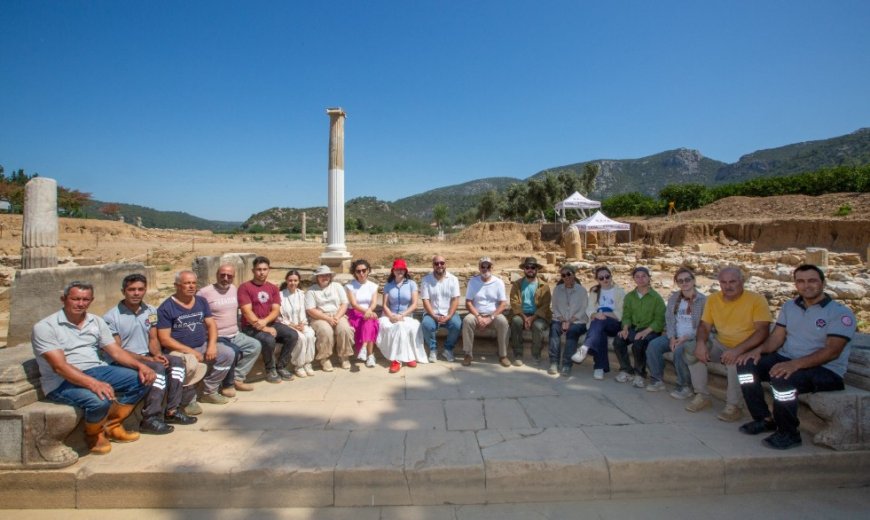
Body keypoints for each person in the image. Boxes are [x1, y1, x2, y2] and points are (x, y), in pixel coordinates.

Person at [736, 264, 856, 449]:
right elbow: (776, 338)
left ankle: (789, 433)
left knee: (782, 379)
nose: (806, 285)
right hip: (789, 359)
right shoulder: (790, 306)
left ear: (823, 283)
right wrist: (757, 351)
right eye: (800, 281)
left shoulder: (840, 313)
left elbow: (832, 351)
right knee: (746, 366)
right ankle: (764, 419)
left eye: (812, 281)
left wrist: (795, 365)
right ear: (795, 284)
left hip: (826, 369)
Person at [32, 281, 154, 454]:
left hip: (96, 370)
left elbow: (116, 352)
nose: (81, 303)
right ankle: (93, 434)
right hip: (61, 381)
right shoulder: (45, 327)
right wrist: (93, 384)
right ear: (64, 299)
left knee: (143, 379)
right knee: (98, 400)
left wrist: (141, 366)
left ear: (91, 300)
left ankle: (113, 425)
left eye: (85, 299)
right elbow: (60, 367)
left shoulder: (95, 321)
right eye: (76, 299)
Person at [103, 274, 196, 435]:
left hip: (147, 356)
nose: (136, 293)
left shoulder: (151, 311)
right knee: (157, 368)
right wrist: (149, 360)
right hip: (125, 360)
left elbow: (153, 337)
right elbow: (117, 350)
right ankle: (150, 418)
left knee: (176, 362)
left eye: (140, 289)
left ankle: (172, 410)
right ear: (123, 291)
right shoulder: (111, 317)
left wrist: (158, 354)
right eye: (132, 289)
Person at [684, 266, 773, 422]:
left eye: (732, 281)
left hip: (748, 346)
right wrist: (700, 343)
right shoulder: (713, 299)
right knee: (692, 351)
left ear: (742, 281)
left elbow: (762, 331)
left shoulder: (756, 300)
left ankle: (734, 406)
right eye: (724, 282)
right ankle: (702, 395)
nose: (728, 286)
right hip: (721, 343)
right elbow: (704, 326)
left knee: (735, 364)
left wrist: (738, 350)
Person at [157, 271, 237, 407]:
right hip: (179, 350)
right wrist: (191, 352)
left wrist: (211, 345)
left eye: (193, 283)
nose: (191, 286)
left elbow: (211, 324)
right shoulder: (166, 308)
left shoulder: (201, 301)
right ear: (176, 285)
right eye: (187, 283)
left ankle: (209, 391)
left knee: (228, 353)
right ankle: (188, 401)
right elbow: (165, 339)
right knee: (190, 364)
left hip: (202, 344)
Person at [197, 264, 262, 393]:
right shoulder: (204, 293)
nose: (225, 278)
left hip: (235, 333)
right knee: (233, 351)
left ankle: (238, 378)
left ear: (233, 277)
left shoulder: (233, 289)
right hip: (218, 335)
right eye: (222, 275)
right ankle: (227, 385)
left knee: (255, 346)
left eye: (229, 276)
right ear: (216, 275)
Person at [645, 267, 707, 397]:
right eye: (680, 281)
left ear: (693, 280)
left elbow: (704, 325)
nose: (684, 283)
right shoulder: (674, 298)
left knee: (680, 351)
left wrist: (685, 337)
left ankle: (684, 386)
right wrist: (672, 337)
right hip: (675, 335)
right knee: (653, 345)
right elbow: (670, 319)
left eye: (687, 279)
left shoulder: (703, 300)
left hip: (692, 338)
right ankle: (657, 380)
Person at [238, 256, 299, 383]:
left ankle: (281, 366)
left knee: (292, 335)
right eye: (259, 269)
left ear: (268, 270)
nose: (262, 272)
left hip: (270, 323)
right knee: (268, 339)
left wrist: (265, 323)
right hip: (250, 326)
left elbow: (276, 310)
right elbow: (246, 311)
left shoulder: (273, 288)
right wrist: (264, 328)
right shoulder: (245, 287)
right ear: (253, 270)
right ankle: (270, 369)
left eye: (265, 269)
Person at [612, 266, 666, 388]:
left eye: (643, 276)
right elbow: (626, 315)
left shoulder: (656, 298)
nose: (640, 279)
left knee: (638, 343)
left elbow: (659, 320)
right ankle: (626, 370)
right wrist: (625, 328)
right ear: (634, 279)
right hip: (634, 328)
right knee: (618, 340)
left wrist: (645, 332)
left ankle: (640, 374)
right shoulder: (630, 297)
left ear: (649, 278)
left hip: (650, 330)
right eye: (637, 276)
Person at [571, 266, 625, 380]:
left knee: (599, 322)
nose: (605, 279)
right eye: (601, 278)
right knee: (600, 330)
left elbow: (621, 312)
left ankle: (585, 348)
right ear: (597, 279)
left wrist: (605, 314)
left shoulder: (620, 292)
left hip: (614, 323)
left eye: (607, 276)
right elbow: (589, 309)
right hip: (598, 321)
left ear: (611, 276)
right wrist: (595, 315)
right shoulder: (595, 291)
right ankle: (599, 368)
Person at [378, 258, 428, 373]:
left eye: (402, 269)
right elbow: (385, 305)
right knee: (398, 328)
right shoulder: (388, 285)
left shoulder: (411, 284)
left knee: (404, 327)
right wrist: (391, 316)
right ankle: (399, 359)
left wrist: (402, 315)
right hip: (390, 316)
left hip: (406, 316)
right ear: (393, 271)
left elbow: (414, 304)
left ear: (405, 271)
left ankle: (404, 357)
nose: (399, 271)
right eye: (397, 269)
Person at [461, 256, 509, 367]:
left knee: (503, 322)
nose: (485, 269)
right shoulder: (473, 282)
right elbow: (468, 302)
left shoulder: (498, 282)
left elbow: (503, 304)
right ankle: (468, 354)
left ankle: (503, 355)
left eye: (488, 266)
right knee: (467, 321)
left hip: (493, 315)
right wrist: (478, 317)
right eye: (483, 266)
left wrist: (490, 318)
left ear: (492, 267)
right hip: (477, 314)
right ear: (479, 268)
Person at [305, 265, 355, 371]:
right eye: (321, 275)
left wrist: (336, 317)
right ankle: (324, 358)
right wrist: (328, 319)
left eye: (327, 275)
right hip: (319, 317)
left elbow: (344, 303)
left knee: (344, 329)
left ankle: (344, 356)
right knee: (325, 331)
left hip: (337, 314)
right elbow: (310, 310)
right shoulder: (311, 291)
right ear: (317, 277)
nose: (325, 277)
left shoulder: (337, 286)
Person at [509, 256, 551, 367]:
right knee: (516, 322)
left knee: (537, 326)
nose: (530, 269)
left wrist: (532, 318)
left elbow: (545, 305)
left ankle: (536, 354)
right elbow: (514, 302)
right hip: (521, 314)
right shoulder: (517, 284)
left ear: (537, 269)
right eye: (527, 267)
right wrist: (524, 317)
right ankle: (518, 354)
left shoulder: (544, 286)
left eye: (533, 267)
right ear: (524, 269)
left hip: (538, 315)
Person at [548, 265, 588, 376]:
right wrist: (562, 319)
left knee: (572, 331)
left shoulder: (582, 290)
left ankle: (567, 364)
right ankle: (554, 362)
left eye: (569, 274)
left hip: (577, 321)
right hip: (560, 318)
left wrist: (569, 321)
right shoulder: (557, 289)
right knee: (554, 328)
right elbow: (554, 307)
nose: (566, 277)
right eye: (563, 275)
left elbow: (584, 309)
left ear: (574, 275)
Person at [420, 255, 462, 362]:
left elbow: (455, 300)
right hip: (431, 313)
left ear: (445, 264)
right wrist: (434, 315)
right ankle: (433, 349)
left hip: (448, 313)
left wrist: (448, 316)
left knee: (457, 324)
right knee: (426, 324)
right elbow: (425, 300)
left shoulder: (453, 279)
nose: (439, 265)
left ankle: (448, 349)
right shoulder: (426, 280)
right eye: (436, 263)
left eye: (442, 263)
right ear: (433, 265)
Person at [278, 269, 316, 378]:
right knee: (301, 339)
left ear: (299, 281)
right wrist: (292, 325)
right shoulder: (280, 296)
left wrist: (302, 324)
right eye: (290, 280)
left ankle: (307, 363)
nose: (293, 283)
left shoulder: (302, 295)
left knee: (309, 335)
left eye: (295, 280)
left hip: (302, 324)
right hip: (287, 325)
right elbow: (279, 316)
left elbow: (306, 311)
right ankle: (299, 365)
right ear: (286, 281)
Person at [345, 259, 380, 368]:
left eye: (364, 270)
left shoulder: (373, 286)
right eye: (358, 271)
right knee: (371, 320)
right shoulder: (350, 286)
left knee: (369, 321)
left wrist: (369, 311)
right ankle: (370, 355)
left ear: (368, 270)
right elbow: (354, 304)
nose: (361, 273)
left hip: (367, 313)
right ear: (354, 273)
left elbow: (374, 303)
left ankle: (364, 349)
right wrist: (369, 312)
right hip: (355, 313)